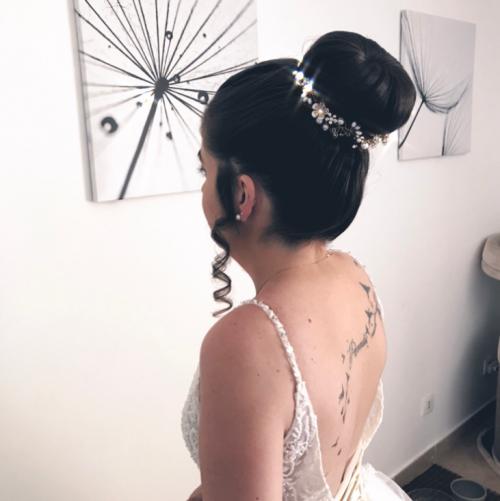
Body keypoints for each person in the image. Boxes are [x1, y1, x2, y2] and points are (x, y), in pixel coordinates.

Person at [181, 30, 416, 500]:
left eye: (205, 169)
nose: (203, 188)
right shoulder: (354, 276)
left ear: (242, 194)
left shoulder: (246, 344)